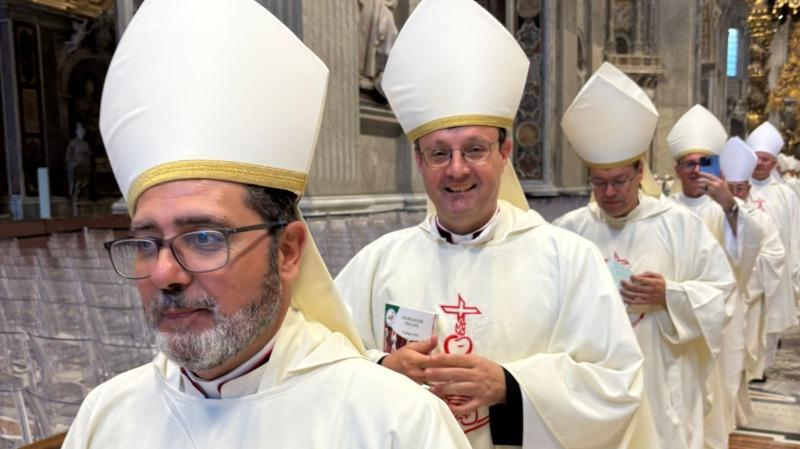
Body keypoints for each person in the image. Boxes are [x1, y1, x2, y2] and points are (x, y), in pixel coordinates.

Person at [61, 0, 470, 447]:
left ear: (288, 251)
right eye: (146, 242)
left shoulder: (394, 421)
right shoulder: (106, 418)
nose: (164, 273)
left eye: (203, 237)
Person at [336, 1, 648, 448]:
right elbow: (324, 360)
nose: (457, 170)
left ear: (505, 154)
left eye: (475, 150)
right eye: (440, 153)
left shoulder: (567, 259)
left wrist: (511, 387)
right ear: (419, 161)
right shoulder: (378, 262)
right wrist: (382, 368)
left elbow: (618, 383)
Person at [554, 62, 735, 449]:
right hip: (594, 377)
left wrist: (669, 295)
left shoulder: (679, 226)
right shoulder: (569, 231)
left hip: (660, 374)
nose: (610, 192)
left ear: (640, 172)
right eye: (599, 182)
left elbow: (722, 294)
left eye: (619, 180)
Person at [666, 105, 764, 449]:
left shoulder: (727, 208)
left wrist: (729, 207)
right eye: (689, 163)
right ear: (676, 169)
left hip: (721, 320)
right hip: (676, 322)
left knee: (715, 402)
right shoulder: (663, 210)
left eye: (704, 162)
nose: (696, 170)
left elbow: (750, 248)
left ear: (718, 166)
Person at [719, 138, 798, 387]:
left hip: (754, 291)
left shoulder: (780, 199)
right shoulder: (711, 215)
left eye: (739, 189)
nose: (734, 195)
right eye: (728, 189)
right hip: (719, 294)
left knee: (758, 337)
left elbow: (780, 249)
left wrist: (749, 269)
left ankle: (756, 368)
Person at [745, 121, 800, 367]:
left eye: (765, 159)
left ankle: (763, 366)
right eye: (755, 158)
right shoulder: (737, 187)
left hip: (776, 269)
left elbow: (795, 235)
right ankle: (746, 364)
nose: (759, 163)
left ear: (774, 163)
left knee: (770, 324)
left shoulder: (786, 195)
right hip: (746, 270)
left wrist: (794, 271)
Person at [65, 122, 92, 202]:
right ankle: (74, 195)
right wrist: (71, 163)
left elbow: (89, 153)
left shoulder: (86, 144)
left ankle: (81, 194)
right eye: (80, 132)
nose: (82, 134)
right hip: (76, 165)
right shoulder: (72, 143)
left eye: (83, 132)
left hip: (85, 165)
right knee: (76, 181)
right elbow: (68, 154)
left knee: (84, 181)